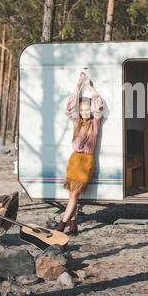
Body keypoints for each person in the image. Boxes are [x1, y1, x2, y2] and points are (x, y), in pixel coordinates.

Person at [58, 71, 104, 235]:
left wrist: (88, 86)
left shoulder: (95, 123)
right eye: (83, 109)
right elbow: (69, 106)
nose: (85, 112)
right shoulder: (77, 122)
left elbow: (98, 103)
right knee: (73, 197)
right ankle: (73, 225)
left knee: (73, 196)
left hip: (85, 163)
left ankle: (61, 226)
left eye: (87, 109)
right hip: (74, 161)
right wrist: (78, 85)